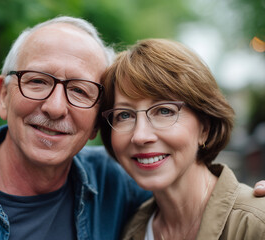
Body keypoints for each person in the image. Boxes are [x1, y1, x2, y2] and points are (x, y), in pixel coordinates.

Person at [0, 16, 152, 240]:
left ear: (97, 122)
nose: (55, 108)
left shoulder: (121, 183)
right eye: (37, 81)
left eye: (79, 90)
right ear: (3, 95)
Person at [99, 38, 265, 239]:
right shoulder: (131, 230)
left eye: (164, 111)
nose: (140, 136)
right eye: (124, 115)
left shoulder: (255, 225)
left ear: (205, 127)